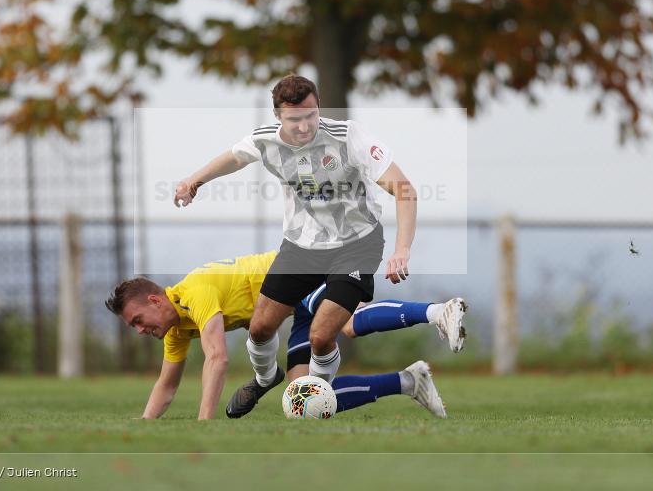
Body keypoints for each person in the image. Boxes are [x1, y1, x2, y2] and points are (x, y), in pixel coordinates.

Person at [173, 74, 439, 418]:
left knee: (321, 335)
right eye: (294, 119)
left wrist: (402, 249)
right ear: (278, 117)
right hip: (303, 245)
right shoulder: (266, 140)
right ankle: (265, 378)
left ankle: (316, 399)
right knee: (260, 327)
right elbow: (235, 158)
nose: (304, 126)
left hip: (357, 244)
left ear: (319, 107)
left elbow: (404, 189)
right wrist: (194, 181)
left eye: (310, 115)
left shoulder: (349, 136)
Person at [104, 251, 467, 420]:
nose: (139, 330)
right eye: (133, 327)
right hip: (294, 311)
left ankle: (439, 312)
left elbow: (217, 357)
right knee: (305, 400)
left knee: (346, 323)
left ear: (155, 299)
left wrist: (204, 425)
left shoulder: (193, 292)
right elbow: (166, 386)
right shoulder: (175, 329)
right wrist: (145, 426)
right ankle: (408, 382)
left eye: (138, 319)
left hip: (304, 273)